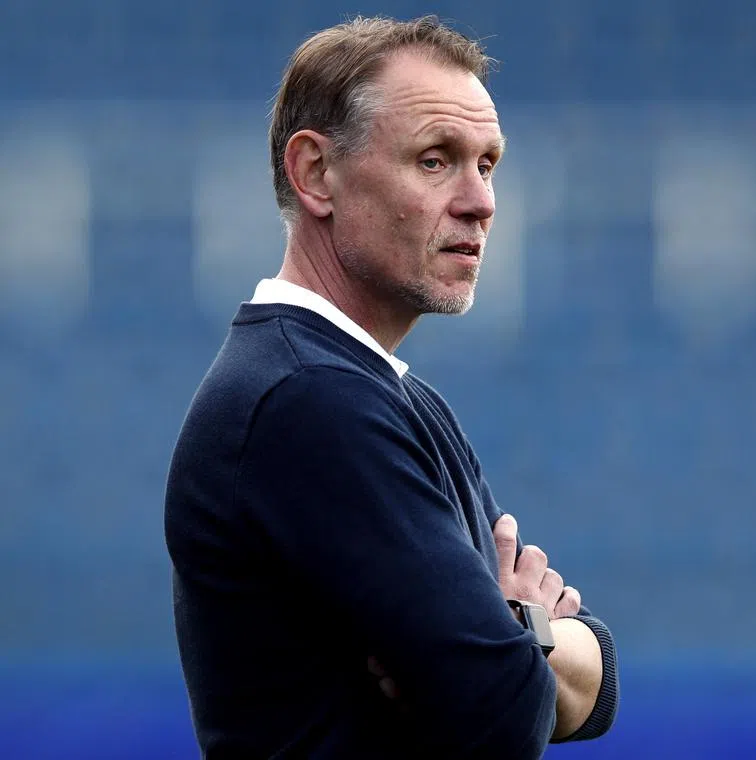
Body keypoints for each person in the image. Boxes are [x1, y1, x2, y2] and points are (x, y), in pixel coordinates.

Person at [164, 15, 619, 759]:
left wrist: (516, 633)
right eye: (436, 161)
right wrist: (524, 644)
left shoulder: (389, 394)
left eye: (488, 164)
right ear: (316, 173)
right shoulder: (308, 400)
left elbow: (597, 691)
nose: (481, 201)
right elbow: (505, 709)